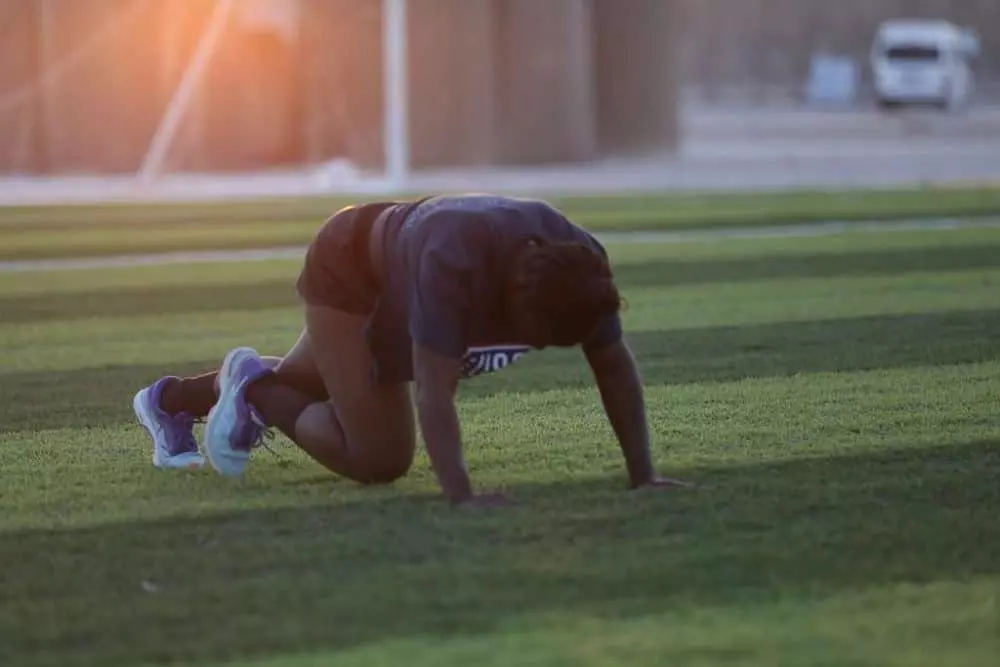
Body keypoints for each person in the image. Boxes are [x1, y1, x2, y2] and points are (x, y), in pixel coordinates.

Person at [133, 194, 688, 506]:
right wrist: (463, 495)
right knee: (381, 458)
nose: (538, 346)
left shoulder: (582, 267)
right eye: (536, 332)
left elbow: (614, 368)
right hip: (350, 271)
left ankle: (174, 400)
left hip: (399, 260)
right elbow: (435, 392)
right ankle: (255, 389)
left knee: (324, 379)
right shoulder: (456, 264)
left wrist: (643, 473)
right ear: (515, 295)